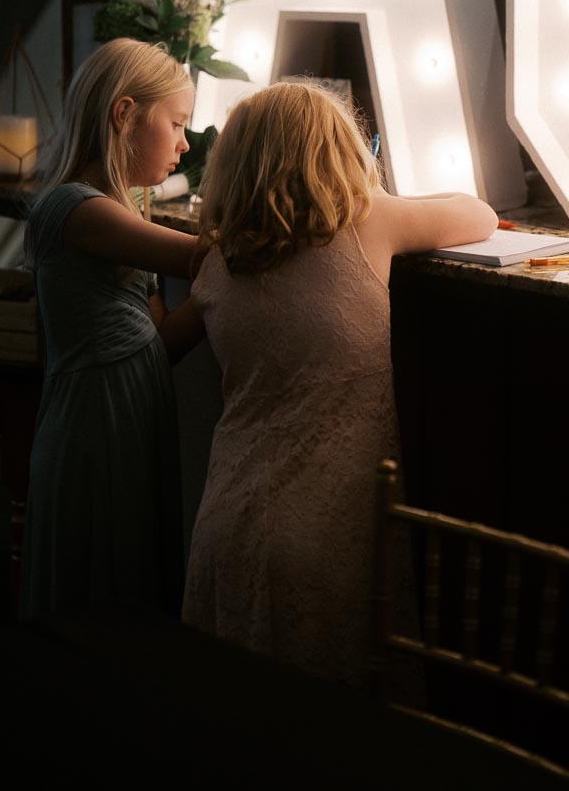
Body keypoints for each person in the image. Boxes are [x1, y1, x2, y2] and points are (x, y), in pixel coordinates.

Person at [182, 81, 498, 687]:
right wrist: (374, 192)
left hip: (224, 522)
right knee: (337, 724)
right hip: (329, 535)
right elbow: (477, 213)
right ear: (338, 153)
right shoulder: (368, 221)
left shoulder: (220, 261)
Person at [19, 38, 203, 621]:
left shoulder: (118, 212)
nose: (185, 142)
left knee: (131, 583)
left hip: (130, 413)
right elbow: (201, 258)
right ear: (125, 114)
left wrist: (217, 298)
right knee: (101, 598)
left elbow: (160, 343)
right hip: (94, 422)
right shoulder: (75, 209)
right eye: (177, 123)